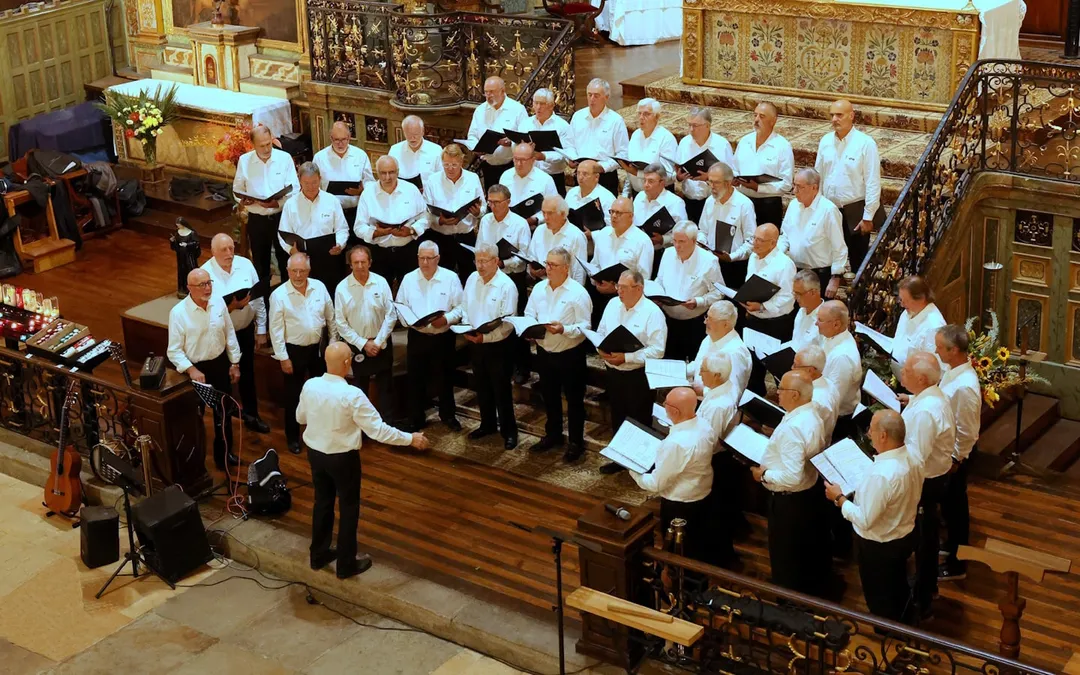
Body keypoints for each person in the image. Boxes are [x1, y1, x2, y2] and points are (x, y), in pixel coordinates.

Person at [297, 342, 430, 579]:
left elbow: (300, 417)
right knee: (349, 508)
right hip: (342, 457)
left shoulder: (310, 385)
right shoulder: (352, 395)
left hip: (315, 453)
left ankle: (318, 554)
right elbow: (378, 431)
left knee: (322, 502)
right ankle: (346, 564)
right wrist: (410, 439)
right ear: (347, 363)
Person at [824, 410, 920, 622]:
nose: (868, 434)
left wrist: (839, 498)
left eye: (871, 430)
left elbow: (865, 520)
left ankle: (889, 632)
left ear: (883, 436)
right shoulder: (913, 456)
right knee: (898, 588)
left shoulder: (882, 475)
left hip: (879, 546)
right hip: (904, 534)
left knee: (881, 599)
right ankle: (904, 623)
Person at [752, 370, 829, 597]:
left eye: (781, 389)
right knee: (801, 554)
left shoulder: (793, 428)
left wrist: (763, 475)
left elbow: (792, 476)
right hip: (806, 496)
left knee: (786, 559)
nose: (777, 392)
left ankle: (789, 604)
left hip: (789, 502)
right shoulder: (810, 413)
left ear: (795, 394)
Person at [898, 351, 956, 619]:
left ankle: (922, 596)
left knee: (923, 537)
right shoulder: (930, 396)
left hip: (926, 481)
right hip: (935, 477)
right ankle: (927, 585)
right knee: (927, 533)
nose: (902, 373)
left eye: (907, 371)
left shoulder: (925, 412)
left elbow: (916, 457)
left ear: (921, 379)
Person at [630, 387, 715, 565]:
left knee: (678, 554)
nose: (663, 405)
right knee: (697, 547)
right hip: (702, 494)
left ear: (674, 411)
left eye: (666, 403)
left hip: (679, 505)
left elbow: (656, 484)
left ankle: (676, 580)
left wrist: (633, 470)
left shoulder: (676, 443)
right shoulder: (705, 425)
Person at [167, 268, 241, 469]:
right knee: (195, 418)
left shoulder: (218, 303)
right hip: (196, 369)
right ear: (189, 288)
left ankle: (224, 455)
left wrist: (234, 363)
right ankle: (195, 462)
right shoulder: (179, 313)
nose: (208, 288)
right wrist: (191, 369)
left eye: (209, 283)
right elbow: (174, 350)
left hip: (219, 363)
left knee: (223, 413)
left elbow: (229, 333)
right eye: (202, 285)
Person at [596, 269, 667, 474]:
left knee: (639, 419)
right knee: (618, 415)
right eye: (618, 286)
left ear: (639, 288)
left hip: (638, 376)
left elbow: (657, 350)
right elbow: (601, 332)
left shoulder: (652, 313)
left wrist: (626, 357)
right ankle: (620, 458)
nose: (619, 291)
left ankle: (641, 464)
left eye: (624, 288)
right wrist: (600, 348)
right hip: (614, 372)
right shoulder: (612, 305)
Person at [525, 247, 593, 462]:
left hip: (570, 354)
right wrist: (529, 329)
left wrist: (564, 329)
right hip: (544, 352)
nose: (548, 268)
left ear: (566, 268)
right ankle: (553, 434)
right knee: (549, 396)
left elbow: (585, 327)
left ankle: (576, 442)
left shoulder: (578, 293)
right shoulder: (539, 289)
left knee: (574, 400)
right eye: (547, 264)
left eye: (553, 265)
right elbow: (529, 313)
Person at [269, 253, 337, 454]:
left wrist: (333, 345)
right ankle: (293, 438)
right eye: (294, 271)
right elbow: (276, 330)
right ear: (287, 271)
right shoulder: (279, 295)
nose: (298, 275)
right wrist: (283, 357)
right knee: (293, 397)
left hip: (318, 350)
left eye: (302, 271)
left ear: (309, 270)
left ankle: (319, 433)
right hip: (293, 352)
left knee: (321, 394)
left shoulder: (319, 287)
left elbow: (331, 317)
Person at [201, 234, 269, 433]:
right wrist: (231, 307)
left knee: (248, 374)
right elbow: (203, 311)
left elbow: (257, 298)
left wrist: (261, 329)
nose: (229, 253)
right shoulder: (204, 274)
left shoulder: (245, 264)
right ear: (213, 252)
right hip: (220, 336)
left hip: (245, 330)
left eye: (231, 248)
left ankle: (252, 416)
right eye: (224, 250)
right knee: (223, 379)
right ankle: (225, 421)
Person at [395, 241, 465, 432]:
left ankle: (448, 415)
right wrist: (409, 321)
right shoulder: (409, 279)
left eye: (429, 258)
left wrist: (447, 319)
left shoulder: (450, 278)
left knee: (445, 377)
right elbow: (400, 306)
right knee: (415, 379)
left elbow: (461, 307)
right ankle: (416, 418)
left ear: (438, 258)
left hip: (442, 337)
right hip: (418, 336)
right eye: (422, 258)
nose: (425, 263)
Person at [462, 244, 520, 449]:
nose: (480, 266)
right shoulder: (472, 279)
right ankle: (487, 424)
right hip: (476, 342)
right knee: (482, 386)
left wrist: (485, 338)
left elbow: (508, 323)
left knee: (501, 389)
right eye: (477, 261)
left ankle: (509, 431)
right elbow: (464, 306)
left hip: (499, 345)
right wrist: (467, 327)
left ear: (496, 261)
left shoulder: (506, 286)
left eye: (484, 261)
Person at [816, 99, 883, 272]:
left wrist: (868, 216)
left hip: (855, 210)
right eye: (832, 115)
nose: (834, 119)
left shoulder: (865, 144)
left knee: (857, 259)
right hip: (830, 209)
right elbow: (818, 175)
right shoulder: (825, 141)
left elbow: (872, 182)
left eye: (839, 115)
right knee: (828, 258)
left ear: (851, 116)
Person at [936, 324, 979, 583]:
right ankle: (952, 545)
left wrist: (956, 458)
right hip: (950, 451)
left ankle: (957, 563)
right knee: (950, 506)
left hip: (957, 455)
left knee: (956, 508)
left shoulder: (965, 386)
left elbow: (967, 430)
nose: (936, 351)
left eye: (940, 347)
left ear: (954, 350)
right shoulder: (953, 371)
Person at [334, 245, 397, 421]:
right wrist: (363, 343)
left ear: (370, 263)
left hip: (382, 343)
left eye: (363, 262)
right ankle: (361, 427)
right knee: (359, 390)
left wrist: (378, 342)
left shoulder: (381, 282)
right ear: (350, 264)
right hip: (357, 347)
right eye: (356, 262)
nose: (360, 266)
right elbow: (341, 323)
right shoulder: (342, 288)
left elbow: (391, 314)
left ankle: (387, 425)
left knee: (386, 388)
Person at [233, 124, 301, 286]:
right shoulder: (245, 161)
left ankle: (287, 294)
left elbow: (295, 189)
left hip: (281, 217)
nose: (266, 149)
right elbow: (237, 189)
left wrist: (278, 202)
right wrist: (243, 200)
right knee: (260, 262)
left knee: (285, 259)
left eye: (268, 144)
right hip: (257, 219)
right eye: (262, 146)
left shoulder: (284, 158)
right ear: (253, 145)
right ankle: (263, 298)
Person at [353, 155, 428, 288]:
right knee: (378, 290)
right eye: (383, 173)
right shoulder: (368, 193)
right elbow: (358, 227)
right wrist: (376, 232)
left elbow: (425, 217)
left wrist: (411, 230)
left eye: (391, 172)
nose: (387, 177)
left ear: (398, 172)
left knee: (411, 289)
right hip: (379, 253)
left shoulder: (410, 189)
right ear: (377, 173)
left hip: (407, 251)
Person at [654, 221, 724, 361]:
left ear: (693, 241)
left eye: (682, 241)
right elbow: (659, 280)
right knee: (670, 362)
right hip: (668, 320)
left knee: (695, 363)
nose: (677, 245)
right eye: (674, 240)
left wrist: (699, 301)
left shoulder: (709, 261)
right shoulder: (668, 253)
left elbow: (719, 292)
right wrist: (657, 295)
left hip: (695, 324)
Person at [695, 353, 740, 566]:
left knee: (715, 511)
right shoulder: (724, 387)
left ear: (716, 375)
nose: (699, 373)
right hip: (721, 458)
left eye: (703, 370)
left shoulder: (718, 406)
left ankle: (719, 559)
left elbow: (709, 442)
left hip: (716, 461)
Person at [742, 223, 796, 395]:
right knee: (753, 365)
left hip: (776, 324)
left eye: (760, 240)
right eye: (754, 238)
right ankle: (755, 397)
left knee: (777, 365)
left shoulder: (784, 264)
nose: (755, 243)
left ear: (773, 243)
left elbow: (788, 297)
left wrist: (762, 306)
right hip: (754, 320)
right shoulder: (753, 257)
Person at [278, 162, 349, 292]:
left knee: (330, 292)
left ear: (320, 179)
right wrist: (291, 250)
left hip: (329, 257)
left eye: (314, 182)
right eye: (306, 183)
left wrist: (340, 244)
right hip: (302, 259)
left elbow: (342, 228)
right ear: (299, 180)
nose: (311, 187)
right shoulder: (290, 204)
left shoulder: (331, 200)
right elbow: (283, 233)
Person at [778, 168, 847, 297]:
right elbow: (785, 236)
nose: (794, 191)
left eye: (800, 187)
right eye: (794, 185)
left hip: (819, 274)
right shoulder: (793, 205)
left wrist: (836, 278)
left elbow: (839, 247)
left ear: (814, 188)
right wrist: (778, 255)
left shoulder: (828, 210)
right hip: (796, 271)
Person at [423, 144, 485, 283]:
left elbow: (483, 207)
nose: (450, 169)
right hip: (441, 237)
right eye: (446, 165)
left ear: (461, 162)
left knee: (469, 278)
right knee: (441, 279)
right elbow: (425, 212)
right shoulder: (433, 180)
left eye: (454, 165)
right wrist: (439, 220)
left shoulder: (472, 178)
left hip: (466, 236)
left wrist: (477, 212)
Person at [588, 196, 653, 327]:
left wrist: (616, 288)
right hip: (599, 295)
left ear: (631, 216)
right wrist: (596, 281)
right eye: (612, 212)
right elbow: (595, 264)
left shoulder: (642, 241)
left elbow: (644, 278)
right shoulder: (603, 234)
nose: (614, 216)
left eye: (619, 213)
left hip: (627, 301)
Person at [733, 102, 794, 228]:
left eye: (762, 116)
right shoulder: (745, 141)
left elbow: (786, 183)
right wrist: (734, 178)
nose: (756, 120)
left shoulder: (782, 146)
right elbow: (734, 168)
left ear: (773, 121)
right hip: (743, 200)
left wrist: (758, 188)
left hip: (768, 205)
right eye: (755, 115)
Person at [697, 162, 756, 288]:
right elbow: (702, 230)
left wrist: (732, 257)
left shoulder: (744, 205)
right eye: (710, 181)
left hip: (734, 266)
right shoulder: (709, 201)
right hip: (711, 261)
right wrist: (702, 244)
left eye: (716, 182)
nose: (712, 186)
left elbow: (751, 241)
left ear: (728, 183)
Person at [568, 78, 628, 196]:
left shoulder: (615, 121)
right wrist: (571, 158)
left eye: (596, 96)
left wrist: (602, 167)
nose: (592, 99)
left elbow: (623, 153)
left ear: (606, 97)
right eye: (589, 95)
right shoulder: (578, 117)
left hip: (604, 175)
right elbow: (569, 144)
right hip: (581, 172)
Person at [676, 107, 734, 224]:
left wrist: (709, 178)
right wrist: (679, 177)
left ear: (707, 125)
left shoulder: (721, 145)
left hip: (714, 202)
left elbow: (731, 176)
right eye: (689, 125)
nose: (691, 129)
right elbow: (677, 167)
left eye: (695, 125)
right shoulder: (684, 143)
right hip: (689, 200)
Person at [469, 76, 528, 189]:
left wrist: (511, 142)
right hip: (487, 166)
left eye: (492, 92)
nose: (488, 95)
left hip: (511, 166)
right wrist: (475, 147)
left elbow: (525, 138)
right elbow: (472, 135)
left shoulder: (517, 109)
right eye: (486, 92)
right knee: (492, 197)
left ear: (502, 91)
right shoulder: (480, 110)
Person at [312, 121, 373, 228]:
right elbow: (314, 185)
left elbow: (369, 181)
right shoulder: (320, 158)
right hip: (330, 213)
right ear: (331, 138)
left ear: (349, 137)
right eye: (336, 140)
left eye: (344, 139)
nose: (340, 144)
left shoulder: (360, 155)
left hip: (356, 212)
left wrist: (362, 191)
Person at [816, 300, 862, 443]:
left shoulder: (842, 357)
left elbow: (832, 401)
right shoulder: (832, 336)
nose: (816, 323)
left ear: (836, 324)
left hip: (838, 421)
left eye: (820, 320)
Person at [688, 300, 751, 398]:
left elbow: (734, 392)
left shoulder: (735, 353)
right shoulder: (710, 337)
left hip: (714, 404)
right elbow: (698, 364)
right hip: (698, 398)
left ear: (725, 324)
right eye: (706, 317)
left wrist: (703, 392)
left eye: (710, 319)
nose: (705, 321)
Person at [526, 195, 589, 286]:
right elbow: (531, 257)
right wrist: (533, 271)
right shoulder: (539, 230)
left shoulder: (576, 236)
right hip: (541, 284)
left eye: (550, 213)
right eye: (543, 213)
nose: (545, 217)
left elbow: (579, 273)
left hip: (565, 287)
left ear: (563, 214)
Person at [524, 87, 576, 196]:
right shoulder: (526, 124)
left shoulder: (562, 126)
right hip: (530, 176)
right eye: (536, 103)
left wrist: (543, 156)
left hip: (554, 177)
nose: (538, 107)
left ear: (552, 105)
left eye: (542, 104)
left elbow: (566, 154)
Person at [632, 164, 687, 266]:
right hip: (637, 250)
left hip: (661, 254)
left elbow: (684, 233)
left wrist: (663, 239)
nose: (646, 185)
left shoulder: (675, 203)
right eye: (644, 180)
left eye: (651, 181)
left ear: (662, 182)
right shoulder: (639, 196)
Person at [620, 99, 677, 198]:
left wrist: (637, 173)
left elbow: (668, 175)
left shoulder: (666, 139)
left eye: (646, 114)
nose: (641, 117)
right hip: (637, 195)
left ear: (657, 117)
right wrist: (625, 194)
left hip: (659, 196)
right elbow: (630, 170)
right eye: (639, 113)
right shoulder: (635, 135)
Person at [500, 142, 559, 230]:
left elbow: (555, 209)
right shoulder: (506, 176)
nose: (519, 164)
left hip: (535, 229)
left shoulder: (545, 180)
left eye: (523, 160)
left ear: (533, 160)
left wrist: (535, 220)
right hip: (509, 227)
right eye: (516, 159)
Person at [893, 276, 946, 366]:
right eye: (901, 300)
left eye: (906, 301)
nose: (902, 305)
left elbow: (935, 367)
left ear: (921, 298)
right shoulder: (907, 312)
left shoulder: (934, 327)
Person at [793, 345, 839, 440]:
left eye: (795, 365)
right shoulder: (829, 383)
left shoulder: (813, 401)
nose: (792, 368)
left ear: (810, 370)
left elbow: (802, 436)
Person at [388, 115, 444, 190]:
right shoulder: (395, 150)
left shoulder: (436, 150)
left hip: (427, 194)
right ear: (404, 132)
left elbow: (442, 179)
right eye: (409, 134)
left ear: (422, 131)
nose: (412, 138)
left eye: (416, 134)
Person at [565, 160, 616, 238]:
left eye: (585, 174)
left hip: (596, 241)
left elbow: (613, 228)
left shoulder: (607, 198)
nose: (580, 177)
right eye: (578, 173)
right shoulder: (571, 193)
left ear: (596, 177)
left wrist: (592, 235)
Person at [791, 269, 824, 351]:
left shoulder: (825, 319)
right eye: (794, 293)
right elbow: (795, 342)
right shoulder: (801, 311)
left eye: (799, 294)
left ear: (813, 293)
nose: (795, 297)